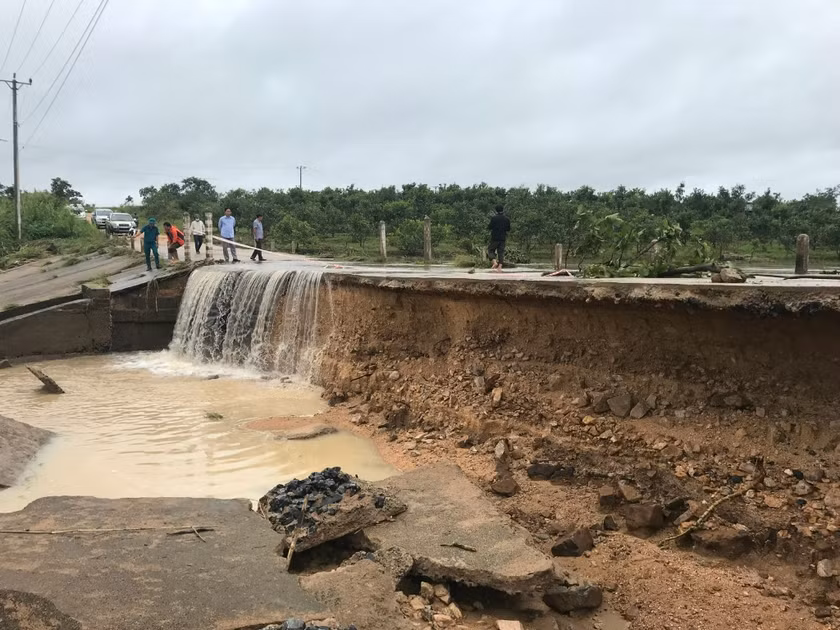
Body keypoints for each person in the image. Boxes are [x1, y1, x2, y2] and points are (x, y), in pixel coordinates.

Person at [487, 204, 511, 270]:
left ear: (496, 210)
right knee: (501, 252)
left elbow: (489, 227)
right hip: (503, 238)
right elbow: (508, 229)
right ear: (502, 210)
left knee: (490, 250)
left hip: (495, 237)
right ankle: (500, 267)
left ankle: (494, 262)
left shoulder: (494, 218)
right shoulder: (507, 219)